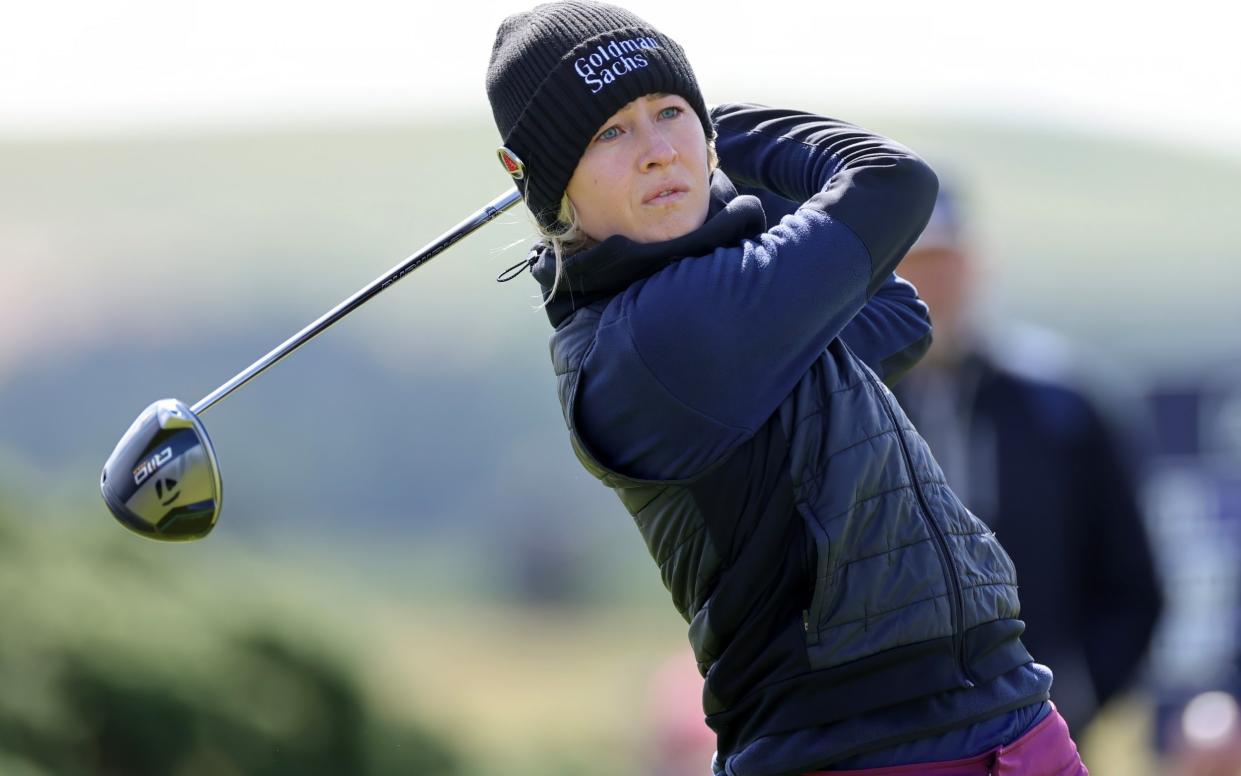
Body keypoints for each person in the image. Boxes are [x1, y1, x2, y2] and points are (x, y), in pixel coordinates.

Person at [484, 3, 1088, 773]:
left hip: (1006, 717)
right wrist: (722, 132)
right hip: (864, 750)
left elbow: (896, 320)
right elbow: (893, 182)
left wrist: (702, 159)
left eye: (668, 112)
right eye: (609, 133)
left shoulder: (728, 302)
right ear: (540, 177)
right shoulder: (656, 338)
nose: (656, 151)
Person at [889, 185, 1163, 735]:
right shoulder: (847, 406)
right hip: (892, 735)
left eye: (943, 263)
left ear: (973, 267)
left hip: (1046, 732)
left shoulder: (1063, 405)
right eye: (911, 266)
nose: (929, 287)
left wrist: (1078, 696)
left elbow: (1132, 582)